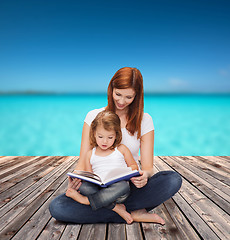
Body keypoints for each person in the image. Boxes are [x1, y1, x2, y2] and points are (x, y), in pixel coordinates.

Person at [49, 67, 182, 224]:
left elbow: (147, 167)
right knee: (57, 207)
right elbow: (83, 163)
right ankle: (128, 211)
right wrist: (76, 180)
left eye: (128, 97)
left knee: (173, 180)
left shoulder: (145, 120)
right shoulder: (93, 116)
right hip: (96, 186)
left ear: (137, 96)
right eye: (118, 94)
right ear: (111, 88)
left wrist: (144, 176)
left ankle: (107, 208)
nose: (121, 101)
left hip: (127, 186)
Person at [66, 110, 138, 224]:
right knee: (84, 187)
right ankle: (115, 208)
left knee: (124, 186)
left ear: (116, 135)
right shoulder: (90, 154)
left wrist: (132, 171)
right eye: (100, 136)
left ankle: (85, 201)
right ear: (94, 133)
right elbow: (90, 177)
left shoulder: (121, 149)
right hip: (99, 190)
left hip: (118, 192)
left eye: (110, 137)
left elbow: (133, 165)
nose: (105, 141)